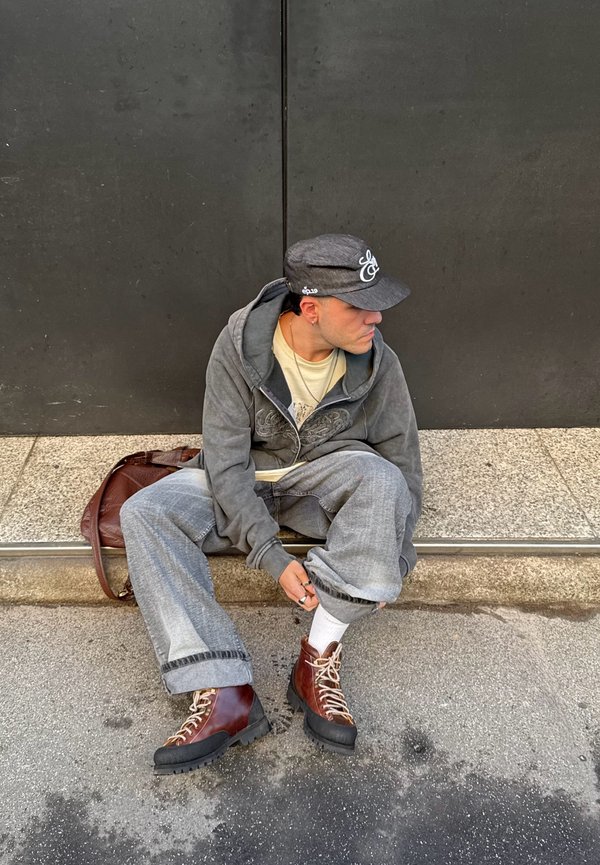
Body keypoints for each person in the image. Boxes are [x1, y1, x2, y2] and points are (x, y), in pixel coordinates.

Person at [120, 233, 423, 775]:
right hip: (243, 481)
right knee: (145, 512)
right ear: (311, 308)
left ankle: (317, 660)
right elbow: (227, 463)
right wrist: (270, 555)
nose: (375, 320)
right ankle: (223, 691)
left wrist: (394, 555)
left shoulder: (380, 363)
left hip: (324, 481)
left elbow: (402, 463)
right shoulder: (239, 347)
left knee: (382, 482)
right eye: (360, 306)